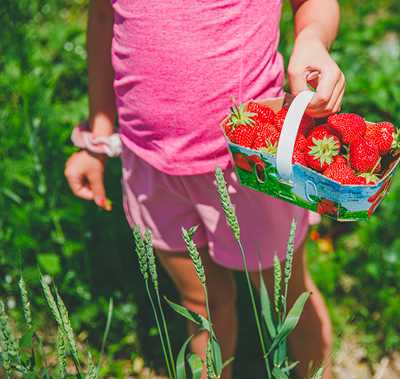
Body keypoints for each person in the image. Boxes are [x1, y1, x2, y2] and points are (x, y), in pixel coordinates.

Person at [64, 1, 343, 378]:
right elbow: (102, 18)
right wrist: (98, 138)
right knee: (200, 302)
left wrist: (312, 39)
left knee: (286, 294)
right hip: (150, 163)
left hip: (248, 163)